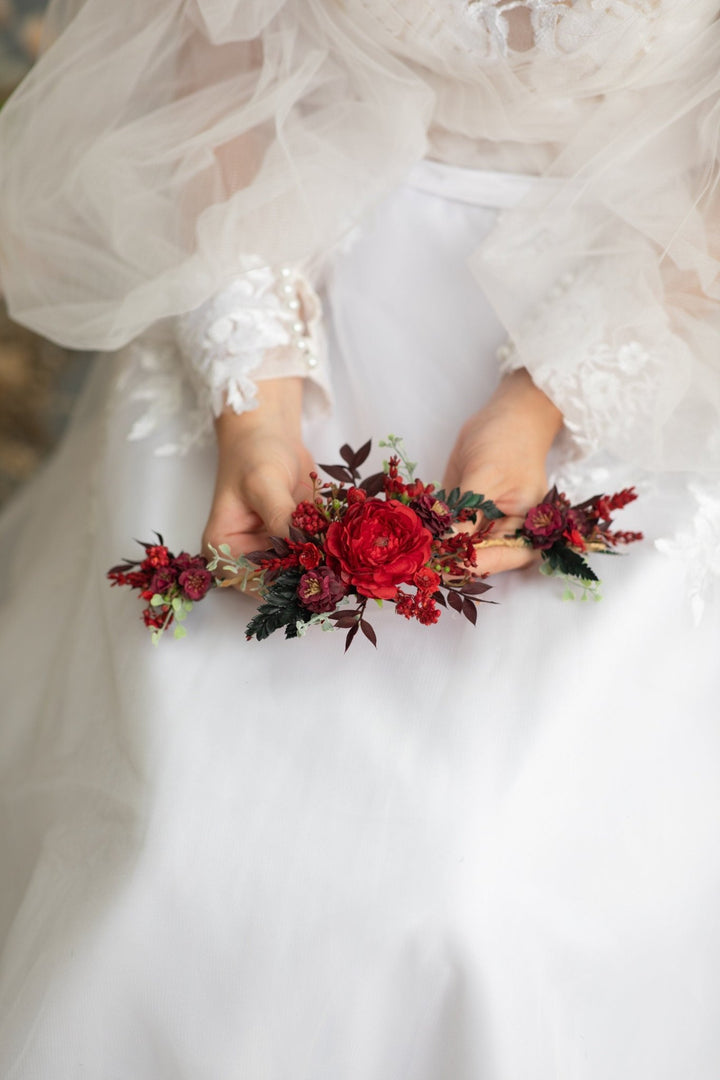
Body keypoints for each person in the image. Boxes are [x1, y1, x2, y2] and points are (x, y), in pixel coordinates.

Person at [0, 2, 719, 1077]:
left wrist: (545, 403)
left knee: (483, 887)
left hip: (660, 287)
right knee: (179, 842)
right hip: (292, 233)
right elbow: (221, 50)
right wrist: (255, 392)